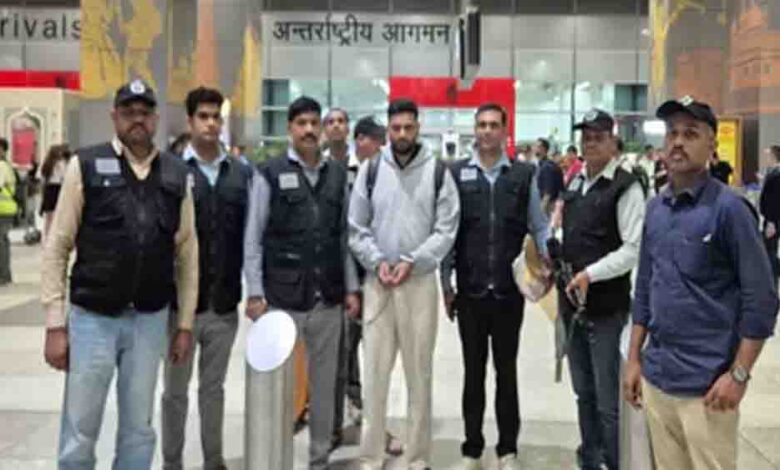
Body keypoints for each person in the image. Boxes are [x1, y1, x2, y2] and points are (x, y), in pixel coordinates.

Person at [41, 79, 197, 468]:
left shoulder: (176, 174)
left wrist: (184, 325)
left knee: (138, 430)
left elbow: (187, 254)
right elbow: (58, 246)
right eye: (128, 112)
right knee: (79, 429)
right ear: (114, 117)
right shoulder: (86, 165)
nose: (137, 120)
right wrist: (55, 324)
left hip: (149, 320)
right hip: (93, 319)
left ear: (156, 119)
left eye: (145, 113)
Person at [625, 97, 779, 470]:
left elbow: (761, 299)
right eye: (672, 133)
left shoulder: (730, 210)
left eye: (690, 134)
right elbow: (644, 287)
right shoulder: (656, 209)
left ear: (712, 145)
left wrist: (738, 375)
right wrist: (633, 360)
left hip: (708, 389)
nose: (678, 142)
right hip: (658, 380)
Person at [243, 96, 361, 470]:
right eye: (301, 124)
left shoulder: (337, 175)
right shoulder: (269, 173)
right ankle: (277, 458)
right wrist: (255, 292)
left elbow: (343, 236)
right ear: (290, 129)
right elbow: (253, 237)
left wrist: (351, 287)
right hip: (283, 299)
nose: (309, 130)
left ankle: (319, 458)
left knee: (325, 385)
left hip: (328, 298)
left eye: (314, 123)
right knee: (282, 388)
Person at [349, 98, 460, 470]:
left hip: (419, 284)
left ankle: (416, 456)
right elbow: (356, 228)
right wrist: (377, 261)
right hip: (378, 283)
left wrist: (415, 260)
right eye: (396, 128)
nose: (402, 134)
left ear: (418, 128)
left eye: (408, 128)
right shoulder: (370, 170)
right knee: (374, 374)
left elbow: (446, 230)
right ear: (388, 129)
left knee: (419, 374)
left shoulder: (437, 172)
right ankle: (371, 455)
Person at [441, 103, 550, 470]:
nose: (487, 131)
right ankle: (472, 449)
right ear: (475, 130)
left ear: (504, 131)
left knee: (507, 372)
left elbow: (538, 225)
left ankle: (507, 450)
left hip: (507, 293)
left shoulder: (522, 175)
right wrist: (446, 283)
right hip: (470, 292)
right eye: (481, 125)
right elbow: (448, 232)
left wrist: (547, 260)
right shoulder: (456, 174)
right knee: (473, 373)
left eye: (493, 125)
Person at [161, 87, 251, 470]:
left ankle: (214, 461)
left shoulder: (240, 174)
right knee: (175, 392)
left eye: (216, 117)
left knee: (213, 390)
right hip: (179, 309)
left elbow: (251, 237)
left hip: (224, 304)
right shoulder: (170, 171)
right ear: (190, 121)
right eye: (204, 116)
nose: (211, 124)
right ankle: (172, 462)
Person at [558, 109, 646, 470]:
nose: (590, 144)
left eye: (598, 137)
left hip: (606, 311)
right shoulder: (575, 183)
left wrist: (590, 274)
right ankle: (590, 460)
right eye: (586, 138)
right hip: (572, 309)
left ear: (613, 142)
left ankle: (612, 462)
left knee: (608, 402)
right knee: (583, 394)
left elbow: (633, 248)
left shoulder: (626, 187)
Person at [332, 115, 392, 448]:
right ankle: (342, 416)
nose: (380, 147)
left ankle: (374, 421)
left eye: (381, 141)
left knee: (378, 354)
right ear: (360, 141)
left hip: (383, 278)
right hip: (349, 277)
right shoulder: (341, 173)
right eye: (374, 140)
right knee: (344, 350)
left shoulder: (390, 175)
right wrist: (348, 282)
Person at [40, 144, 72, 239]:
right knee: (58, 215)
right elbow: (64, 176)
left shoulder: (47, 164)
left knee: (49, 217)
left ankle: (46, 237)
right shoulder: (61, 163)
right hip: (58, 188)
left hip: (48, 189)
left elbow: (42, 178)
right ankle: (54, 236)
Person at [759, 145, 780, 282]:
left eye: (767, 156)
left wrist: (772, 222)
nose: (765, 159)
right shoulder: (772, 173)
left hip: (773, 219)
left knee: (770, 251)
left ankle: (772, 280)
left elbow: (776, 199)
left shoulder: (777, 174)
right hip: (769, 217)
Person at [0, 138, 17, 284]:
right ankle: (5, 274)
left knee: (2, 243)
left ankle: (3, 275)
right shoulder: (6, 166)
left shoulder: (2, 166)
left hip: (3, 209)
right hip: (6, 209)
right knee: (3, 242)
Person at [535, 137, 564, 216]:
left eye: (538, 146)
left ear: (543, 149)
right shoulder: (542, 165)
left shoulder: (547, 167)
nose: (535, 148)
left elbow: (548, 192)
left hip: (549, 205)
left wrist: (540, 212)